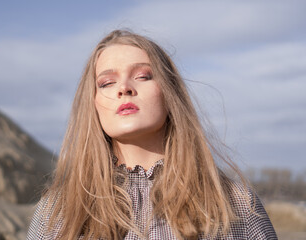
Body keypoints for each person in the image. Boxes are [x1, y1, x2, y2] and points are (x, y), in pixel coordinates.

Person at [26, 30, 277, 239]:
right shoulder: (59, 211)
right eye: (106, 83)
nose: (124, 88)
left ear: (169, 93)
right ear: (91, 104)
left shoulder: (236, 204)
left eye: (143, 76)